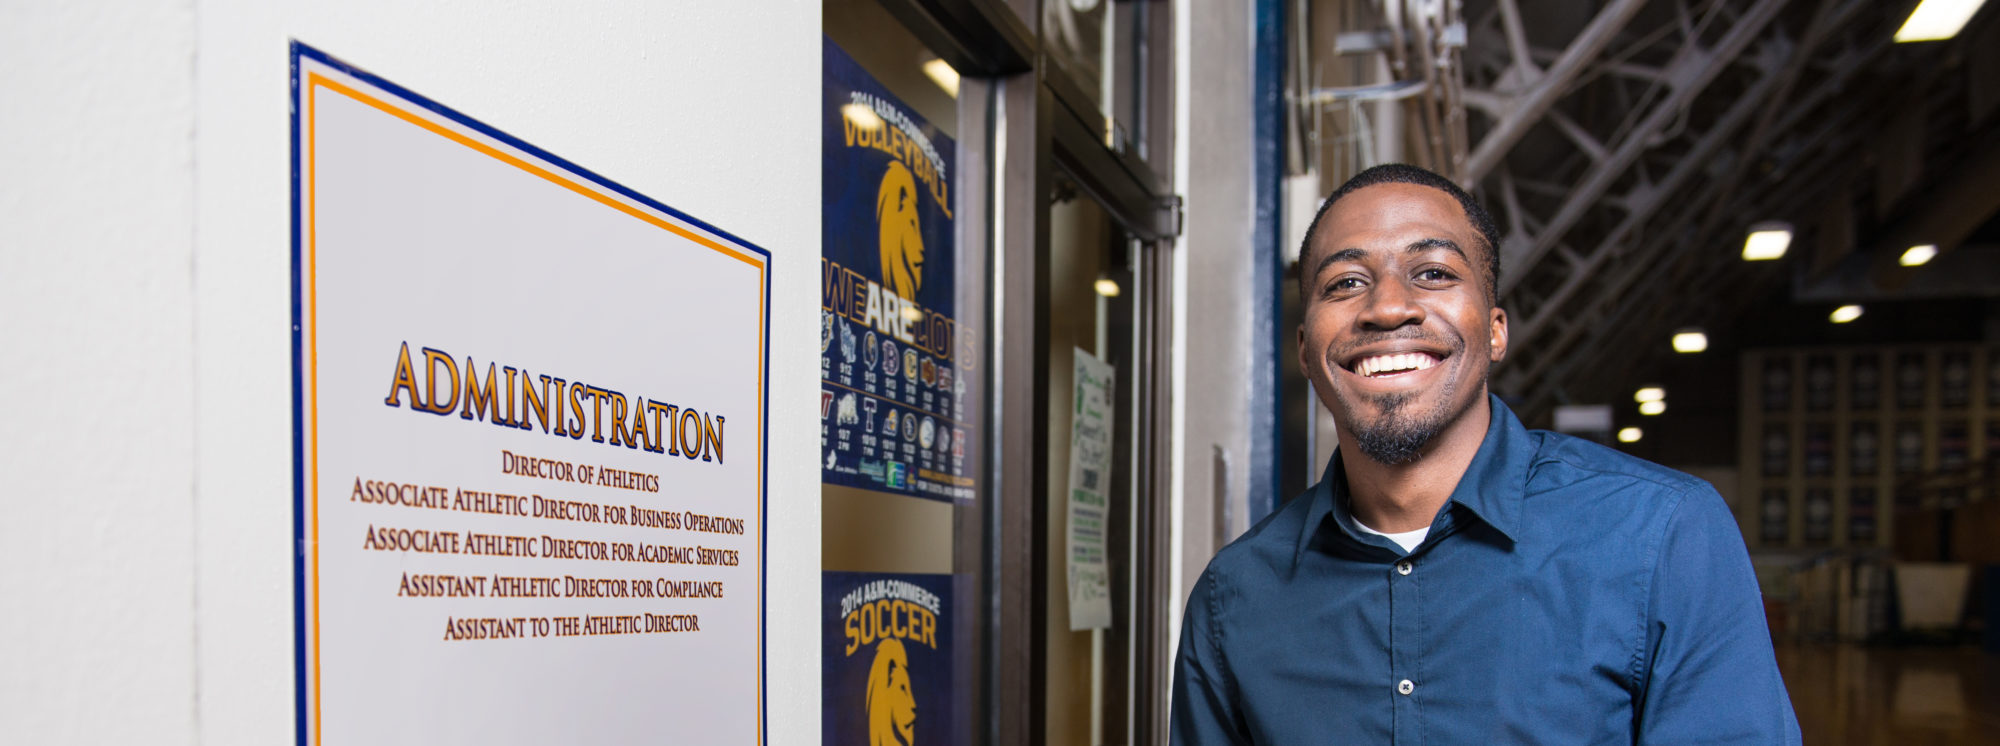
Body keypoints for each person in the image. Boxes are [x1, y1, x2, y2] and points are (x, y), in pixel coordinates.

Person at [1170, 164, 1800, 744]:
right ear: (1306, 350)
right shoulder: (1235, 599)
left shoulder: (1662, 537)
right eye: (1346, 282)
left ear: (1495, 330)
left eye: (1434, 273)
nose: (1389, 307)